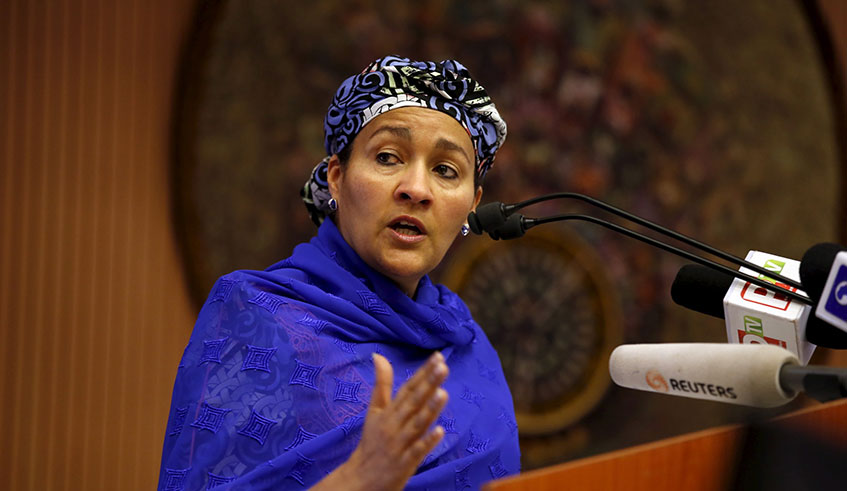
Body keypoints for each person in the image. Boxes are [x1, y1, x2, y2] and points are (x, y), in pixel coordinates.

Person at [159, 55, 519, 490]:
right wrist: (358, 481)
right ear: (336, 177)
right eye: (388, 157)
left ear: (473, 203)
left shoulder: (469, 346)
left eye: (445, 170)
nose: (417, 189)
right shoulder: (256, 313)